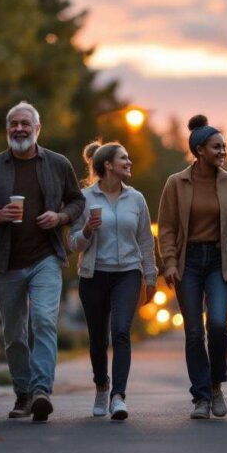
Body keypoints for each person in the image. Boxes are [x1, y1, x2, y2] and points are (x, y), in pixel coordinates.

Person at [0, 101, 85, 423]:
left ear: (37, 129)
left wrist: (60, 216)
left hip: (45, 257)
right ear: (7, 129)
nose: (18, 129)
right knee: (14, 333)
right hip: (6, 262)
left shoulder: (58, 164)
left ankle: (41, 393)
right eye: (13, 124)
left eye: (25, 124)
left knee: (44, 321)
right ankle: (22, 394)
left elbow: (77, 200)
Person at [157, 115, 227, 419]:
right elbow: (167, 227)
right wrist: (169, 262)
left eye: (224, 147)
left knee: (218, 324)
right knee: (194, 331)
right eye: (216, 147)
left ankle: (216, 384)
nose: (223, 151)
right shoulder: (176, 183)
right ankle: (201, 397)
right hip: (188, 262)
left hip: (220, 261)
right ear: (199, 151)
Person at [69, 140, 157, 421]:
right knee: (98, 337)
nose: (129, 163)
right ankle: (101, 386)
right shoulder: (84, 198)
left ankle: (118, 395)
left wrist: (151, 276)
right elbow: (74, 244)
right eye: (124, 159)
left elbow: (145, 240)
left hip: (128, 274)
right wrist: (86, 231)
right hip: (93, 275)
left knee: (120, 331)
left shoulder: (137, 199)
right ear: (107, 165)